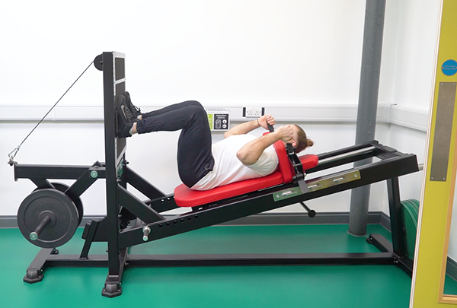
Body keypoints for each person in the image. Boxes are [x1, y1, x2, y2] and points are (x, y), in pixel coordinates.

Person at [117, 92, 314, 190]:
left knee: (195, 114)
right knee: (194, 105)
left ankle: (132, 128)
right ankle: (139, 119)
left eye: (288, 131)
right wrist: (257, 122)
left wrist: (274, 136)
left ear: (292, 144)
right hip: (203, 163)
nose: (282, 128)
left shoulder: (271, 159)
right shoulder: (264, 143)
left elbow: (243, 155)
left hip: (201, 173)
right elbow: (230, 135)